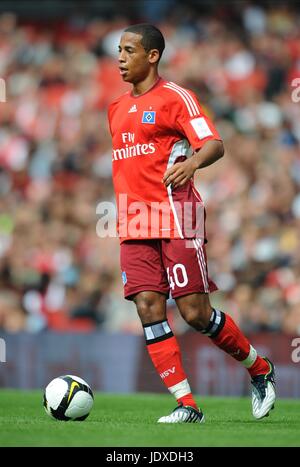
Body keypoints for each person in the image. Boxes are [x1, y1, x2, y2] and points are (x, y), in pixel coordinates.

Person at [107, 23, 276, 423]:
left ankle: (260, 369)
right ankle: (186, 405)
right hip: (134, 221)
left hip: (176, 215)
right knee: (148, 307)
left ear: (152, 55)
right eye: (118, 50)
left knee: (195, 314)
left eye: (129, 50)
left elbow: (214, 144)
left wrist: (192, 163)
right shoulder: (114, 108)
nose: (120, 57)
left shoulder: (176, 98)